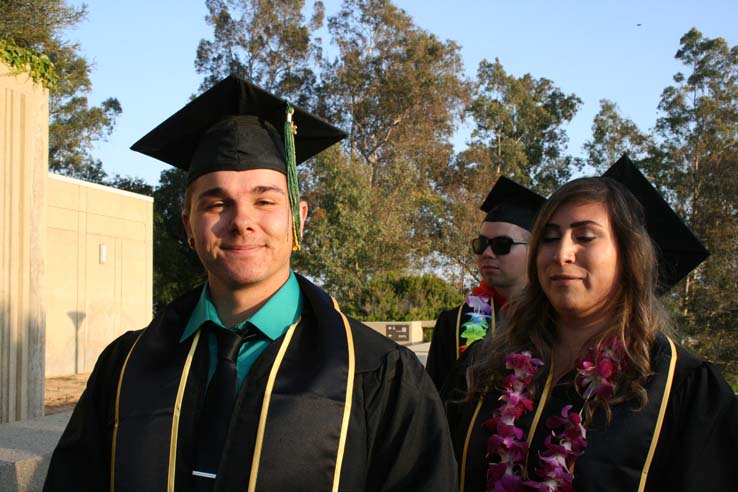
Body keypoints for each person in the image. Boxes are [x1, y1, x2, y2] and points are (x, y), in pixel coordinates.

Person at [43, 75, 457, 492]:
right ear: (189, 225)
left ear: (299, 218)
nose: (241, 221)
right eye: (217, 203)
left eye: (265, 201)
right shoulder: (125, 365)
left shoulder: (377, 372)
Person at [445, 156, 738, 491]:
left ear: (629, 255)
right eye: (550, 238)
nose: (561, 254)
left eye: (584, 237)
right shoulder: (484, 367)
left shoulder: (680, 388)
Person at [426, 177, 545, 391]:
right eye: (481, 244)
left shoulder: (556, 320)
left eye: (502, 245)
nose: (487, 253)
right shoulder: (452, 323)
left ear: (534, 249)